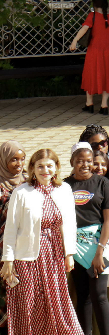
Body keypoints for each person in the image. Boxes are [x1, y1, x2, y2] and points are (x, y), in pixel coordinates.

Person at [0, 148, 79, 335]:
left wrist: (69, 254)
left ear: (56, 167)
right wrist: (8, 259)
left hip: (54, 256)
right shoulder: (21, 192)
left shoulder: (64, 190)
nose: (45, 170)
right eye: (40, 166)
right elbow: (11, 228)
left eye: (49, 166)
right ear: (32, 168)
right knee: (30, 304)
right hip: (26, 257)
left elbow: (70, 223)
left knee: (56, 302)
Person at [64, 144, 109, 335]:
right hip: (74, 247)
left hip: (97, 245)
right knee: (83, 296)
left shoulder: (102, 183)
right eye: (79, 161)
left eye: (89, 161)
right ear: (72, 162)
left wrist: (100, 252)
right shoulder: (65, 185)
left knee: (99, 295)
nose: (85, 165)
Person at [69, 0, 109, 115]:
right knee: (107, 76)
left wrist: (75, 40)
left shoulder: (92, 15)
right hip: (108, 51)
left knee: (91, 74)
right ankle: (104, 105)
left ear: (94, 5)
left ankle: (89, 103)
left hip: (94, 50)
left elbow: (84, 29)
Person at [0, 141, 24, 330]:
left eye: (22, 159)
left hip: (24, 251)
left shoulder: (29, 183)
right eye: (14, 159)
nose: (19, 164)